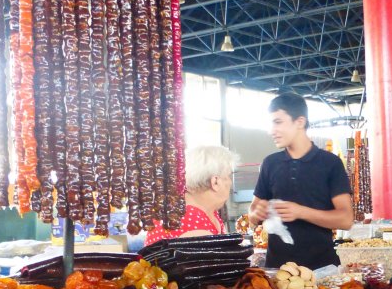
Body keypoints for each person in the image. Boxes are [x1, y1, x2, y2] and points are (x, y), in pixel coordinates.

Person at [248, 93, 353, 269]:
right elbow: (252, 212)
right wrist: (257, 213)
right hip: (278, 271)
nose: (271, 131)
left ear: (300, 122)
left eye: (278, 122)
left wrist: (301, 212)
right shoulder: (270, 163)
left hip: (322, 270)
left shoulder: (330, 163)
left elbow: (346, 219)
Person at [145, 145, 238, 244]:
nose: (230, 182)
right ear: (215, 182)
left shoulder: (205, 211)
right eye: (228, 176)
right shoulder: (192, 224)